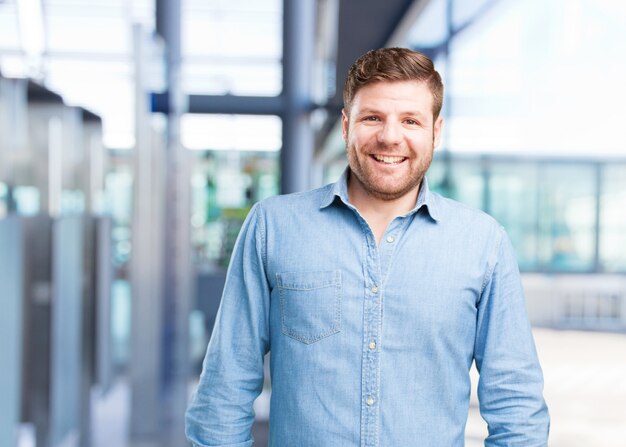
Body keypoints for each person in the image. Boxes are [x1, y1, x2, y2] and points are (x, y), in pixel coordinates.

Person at [186, 47, 550, 447]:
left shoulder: (483, 243)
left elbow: (516, 407)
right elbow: (226, 386)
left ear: (436, 130)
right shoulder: (273, 226)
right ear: (346, 126)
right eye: (372, 117)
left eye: (410, 120)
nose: (390, 137)